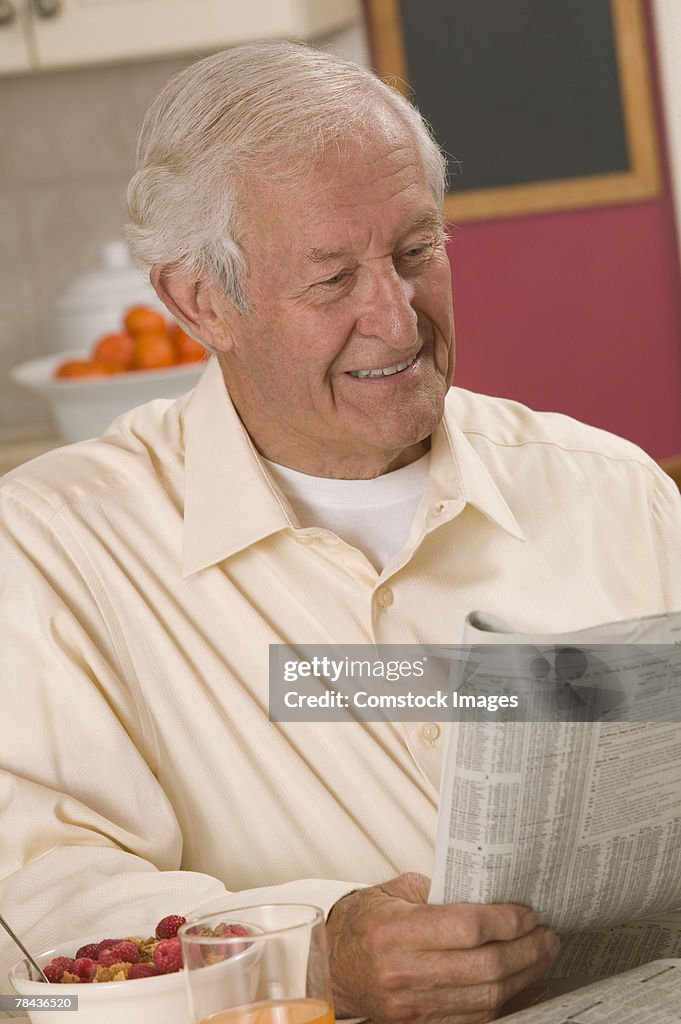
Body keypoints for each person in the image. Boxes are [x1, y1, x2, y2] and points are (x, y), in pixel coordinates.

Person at [2, 41, 681, 1023]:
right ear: (200, 301)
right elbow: (41, 905)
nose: (396, 318)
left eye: (417, 252)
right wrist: (319, 954)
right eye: (332, 280)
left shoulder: (616, 491)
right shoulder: (56, 543)